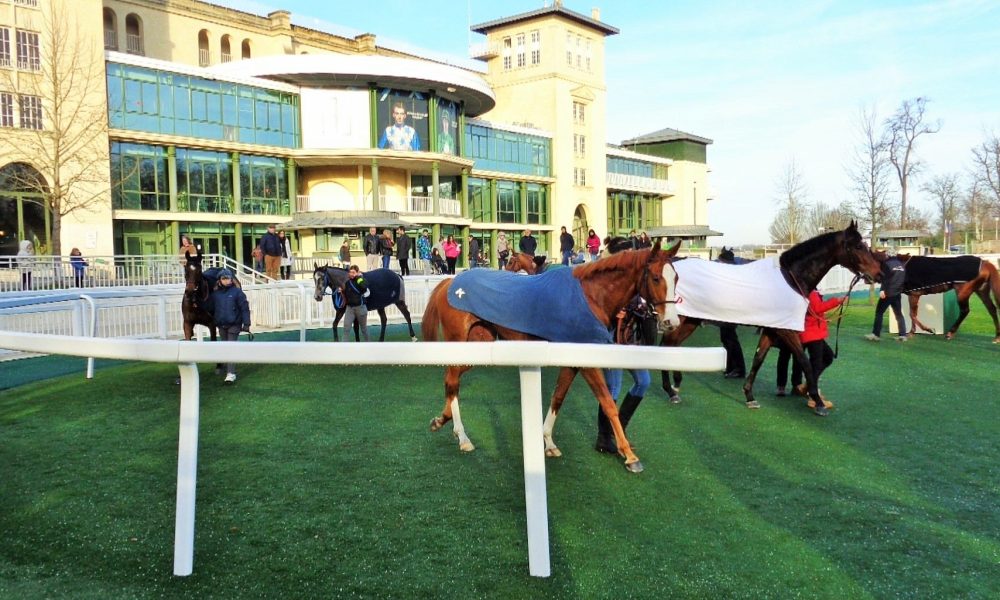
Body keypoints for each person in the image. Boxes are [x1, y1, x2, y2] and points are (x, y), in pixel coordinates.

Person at [777, 288, 845, 415]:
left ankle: (806, 387)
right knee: (818, 362)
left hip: (812, 331)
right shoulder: (811, 292)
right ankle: (812, 395)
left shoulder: (808, 290)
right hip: (812, 333)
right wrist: (837, 301)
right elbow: (817, 308)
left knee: (826, 357)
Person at [209, 268, 251, 384]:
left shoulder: (237, 292)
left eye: (228, 278)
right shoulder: (215, 295)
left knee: (230, 347)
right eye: (224, 278)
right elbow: (210, 308)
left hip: (234, 325)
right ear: (219, 280)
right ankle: (228, 369)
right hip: (221, 325)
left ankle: (231, 373)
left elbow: (244, 308)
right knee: (225, 347)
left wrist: (246, 324)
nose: (227, 280)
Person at [716, 250, 746, 379]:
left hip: (730, 312)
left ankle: (738, 368)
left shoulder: (730, 275)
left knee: (730, 340)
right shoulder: (733, 274)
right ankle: (732, 367)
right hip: (729, 311)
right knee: (728, 339)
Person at [866, 254, 908, 342]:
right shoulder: (901, 265)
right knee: (898, 314)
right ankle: (903, 335)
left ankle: (875, 334)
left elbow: (886, 278)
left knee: (879, 312)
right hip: (897, 293)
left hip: (888, 293)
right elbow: (903, 279)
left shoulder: (887, 264)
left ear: (888, 256)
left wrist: (882, 290)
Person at [341, 265, 371, 342]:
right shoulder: (347, 283)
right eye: (350, 272)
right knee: (346, 329)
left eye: (353, 272)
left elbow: (364, 286)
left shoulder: (361, 280)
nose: (351, 274)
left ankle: (370, 346)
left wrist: (358, 277)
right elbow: (347, 294)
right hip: (350, 309)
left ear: (357, 272)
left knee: (364, 330)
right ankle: (344, 348)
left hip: (360, 308)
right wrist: (341, 291)